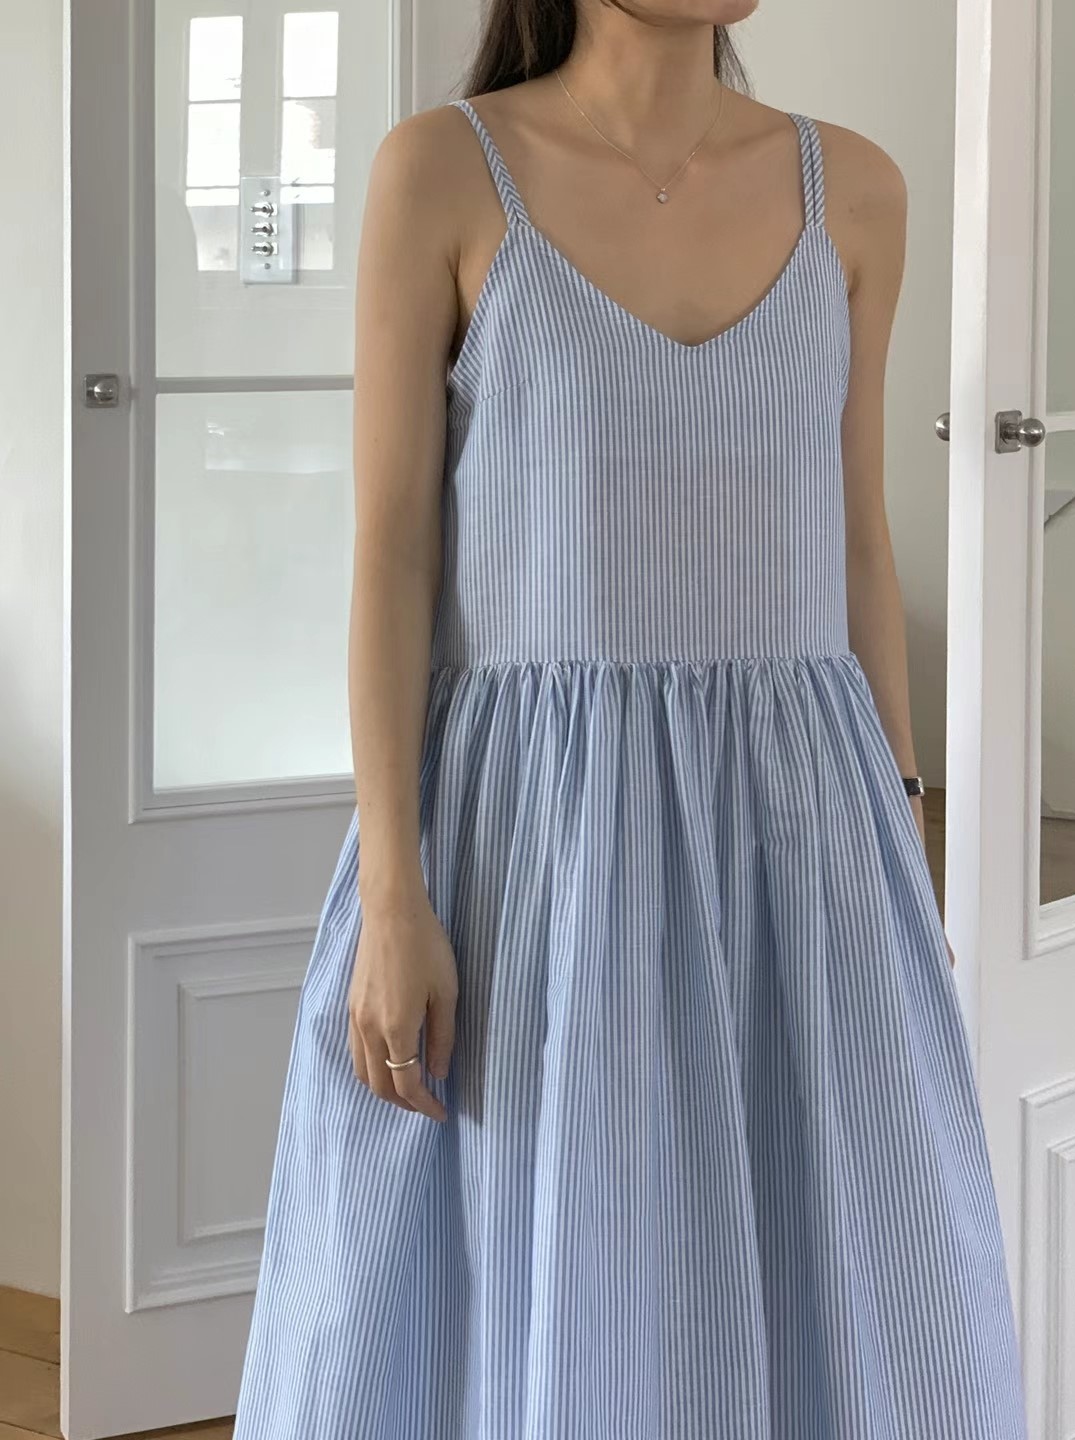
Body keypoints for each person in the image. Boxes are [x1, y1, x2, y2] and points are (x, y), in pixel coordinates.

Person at [233, 2, 1029, 1435]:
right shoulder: (444, 171)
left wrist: (903, 838)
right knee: (541, 1281)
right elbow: (394, 556)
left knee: (856, 1272)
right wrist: (395, 893)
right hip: (529, 843)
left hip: (800, 832)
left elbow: (857, 542)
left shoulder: (854, 189)